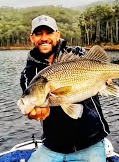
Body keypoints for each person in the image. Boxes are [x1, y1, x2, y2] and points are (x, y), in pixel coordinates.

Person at [20, 15, 110, 162]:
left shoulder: (78, 54)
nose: (44, 38)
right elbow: (36, 105)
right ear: (32, 38)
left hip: (90, 142)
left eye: (48, 33)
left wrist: (107, 78)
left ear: (57, 34)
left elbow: (100, 65)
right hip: (53, 146)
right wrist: (34, 112)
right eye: (38, 34)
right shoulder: (28, 73)